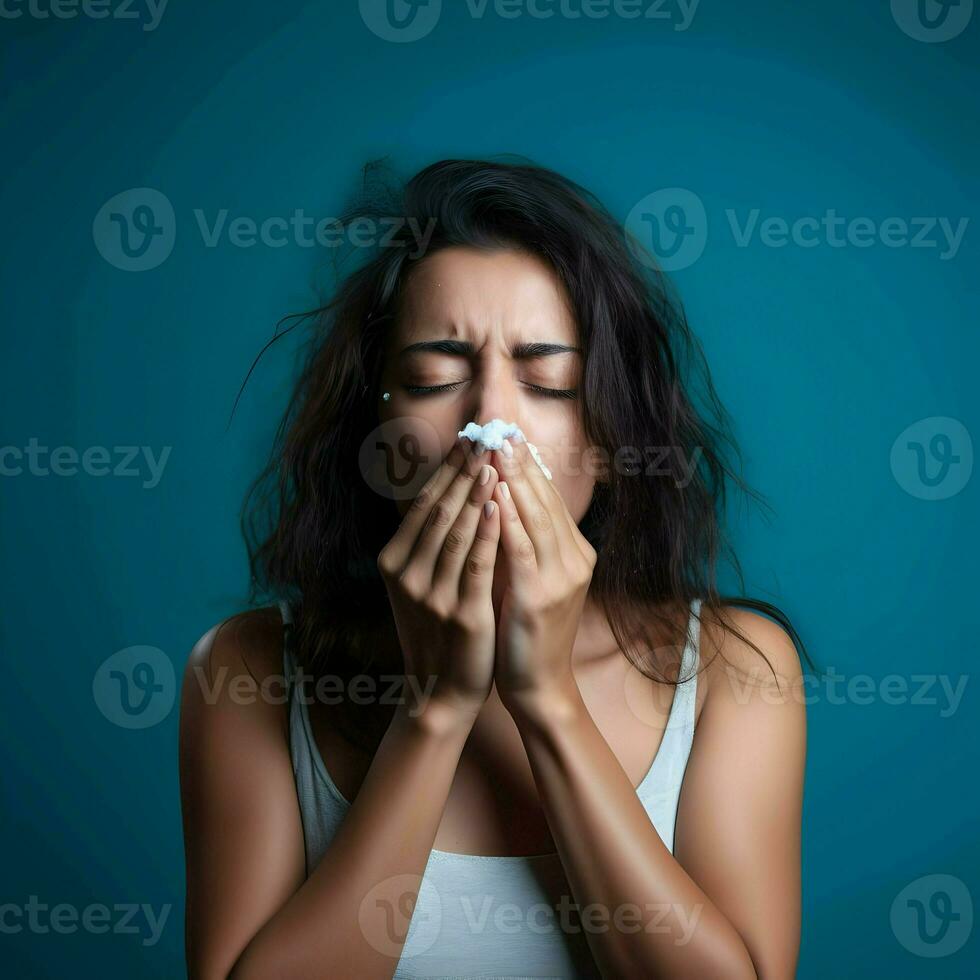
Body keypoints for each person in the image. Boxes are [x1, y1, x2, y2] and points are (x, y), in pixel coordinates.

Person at [179, 157, 811, 979]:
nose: (489, 426)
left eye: (547, 381)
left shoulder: (737, 671)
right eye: (435, 376)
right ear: (377, 435)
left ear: (615, 440)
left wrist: (546, 700)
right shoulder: (251, 671)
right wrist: (434, 711)